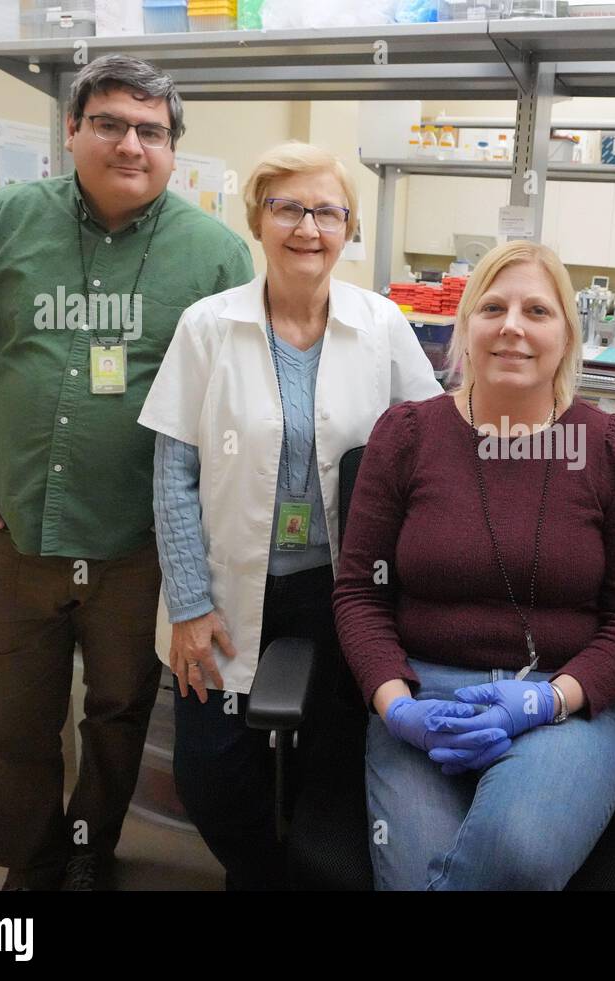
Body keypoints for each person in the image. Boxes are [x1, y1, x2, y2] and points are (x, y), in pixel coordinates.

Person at [0, 54, 254, 891]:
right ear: (72, 132)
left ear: (173, 149)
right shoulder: (1, 222)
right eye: (109, 123)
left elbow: (236, 403)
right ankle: (30, 864)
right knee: (16, 722)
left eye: (151, 130)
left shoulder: (215, 255)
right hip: (11, 529)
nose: (130, 143)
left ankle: (91, 849)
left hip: (140, 544)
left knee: (119, 713)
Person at [138, 142, 441, 890]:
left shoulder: (382, 326)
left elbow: (433, 448)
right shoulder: (208, 327)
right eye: (288, 208)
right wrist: (187, 602)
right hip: (222, 588)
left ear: (348, 228)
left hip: (341, 589)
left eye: (327, 211)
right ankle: (263, 874)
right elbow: (173, 474)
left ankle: (309, 874)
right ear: (258, 220)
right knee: (211, 772)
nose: (308, 227)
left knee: (331, 765)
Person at [333, 240, 615, 890]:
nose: (512, 325)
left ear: (567, 334)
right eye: (493, 307)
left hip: (560, 700)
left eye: (536, 310)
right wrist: (396, 706)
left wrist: (549, 698)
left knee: (518, 854)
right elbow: (359, 594)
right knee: (414, 874)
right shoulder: (406, 436)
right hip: (421, 696)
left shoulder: (611, 449)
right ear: (466, 327)